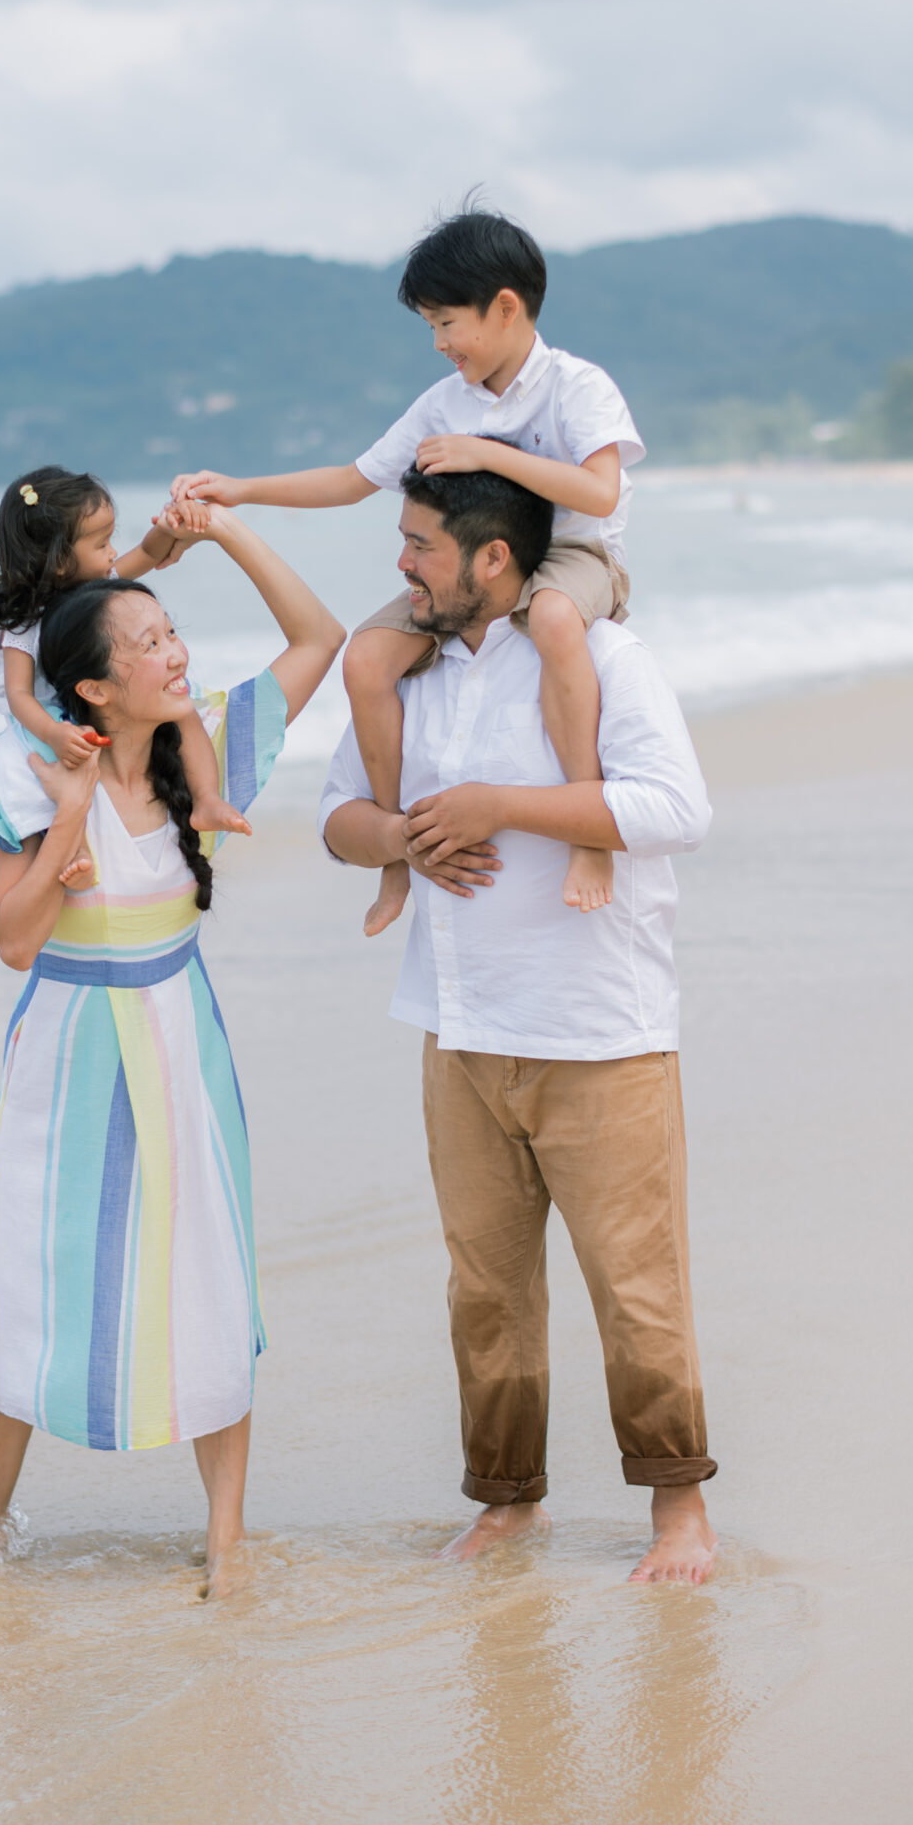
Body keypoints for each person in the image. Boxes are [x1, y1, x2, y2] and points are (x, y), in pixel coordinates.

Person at [0, 506, 345, 1602]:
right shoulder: (29, 767)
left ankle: (226, 1539)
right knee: (30, 1283)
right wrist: (68, 820)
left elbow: (319, 637)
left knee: (209, 1275)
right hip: (64, 1058)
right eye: (148, 644)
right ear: (95, 690)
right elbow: (14, 943)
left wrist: (228, 533)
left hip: (181, 1047)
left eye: (171, 632)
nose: (177, 655)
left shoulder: (209, 752)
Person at [318, 459, 718, 1583]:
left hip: (598, 1032)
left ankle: (679, 1511)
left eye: (421, 545)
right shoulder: (410, 671)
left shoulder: (604, 658)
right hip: (457, 1030)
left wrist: (499, 806)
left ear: (494, 558)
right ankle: (507, 1504)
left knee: (635, 1285)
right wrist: (400, 840)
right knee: (485, 1289)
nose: (401, 564)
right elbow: (339, 814)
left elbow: (677, 808)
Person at [172, 205, 645, 938]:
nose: (438, 343)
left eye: (446, 323)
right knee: (365, 658)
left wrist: (484, 454)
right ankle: (396, 853)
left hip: (572, 556)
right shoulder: (444, 403)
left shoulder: (577, 387)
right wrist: (240, 489)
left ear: (506, 308)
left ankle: (589, 833)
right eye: (429, 326)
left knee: (554, 618)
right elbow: (352, 480)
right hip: (467, 572)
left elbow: (599, 492)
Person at [0, 465, 248, 886]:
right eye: (102, 543)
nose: (113, 553)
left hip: (99, 700)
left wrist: (169, 526)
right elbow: (19, 695)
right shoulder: (25, 623)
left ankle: (207, 798)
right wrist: (54, 733)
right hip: (48, 717)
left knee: (185, 712)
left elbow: (149, 552)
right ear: (58, 560)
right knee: (53, 767)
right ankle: (76, 850)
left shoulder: (97, 585)